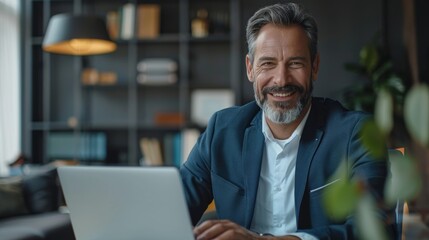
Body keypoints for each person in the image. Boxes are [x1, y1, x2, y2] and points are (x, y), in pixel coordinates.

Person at [180, 3, 393, 240]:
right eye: (268, 63)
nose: (281, 79)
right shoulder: (222, 130)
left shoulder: (356, 133)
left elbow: (375, 229)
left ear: (315, 67)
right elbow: (172, 211)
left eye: (295, 63)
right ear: (250, 68)